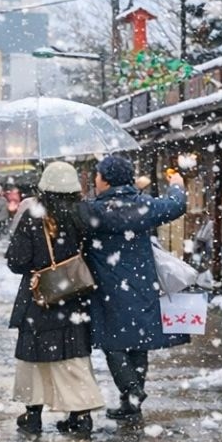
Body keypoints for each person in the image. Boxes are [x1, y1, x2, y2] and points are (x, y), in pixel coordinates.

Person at [82, 154, 188, 423]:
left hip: (107, 285)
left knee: (112, 343)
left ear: (105, 180)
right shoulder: (144, 206)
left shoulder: (94, 211)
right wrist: (176, 183)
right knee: (137, 342)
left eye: (98, 175)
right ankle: (131, 401)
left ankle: (131, 391)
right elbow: (176, 205)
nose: (95, 179)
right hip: (142, 283)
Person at [6, 162, 106, 437]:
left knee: (33, 359)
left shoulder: (33, 215)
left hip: (40, 298)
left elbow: (17, 262)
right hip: (74, 296)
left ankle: (32, 415)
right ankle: (80, 415)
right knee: (72, 357)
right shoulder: (85, 214)